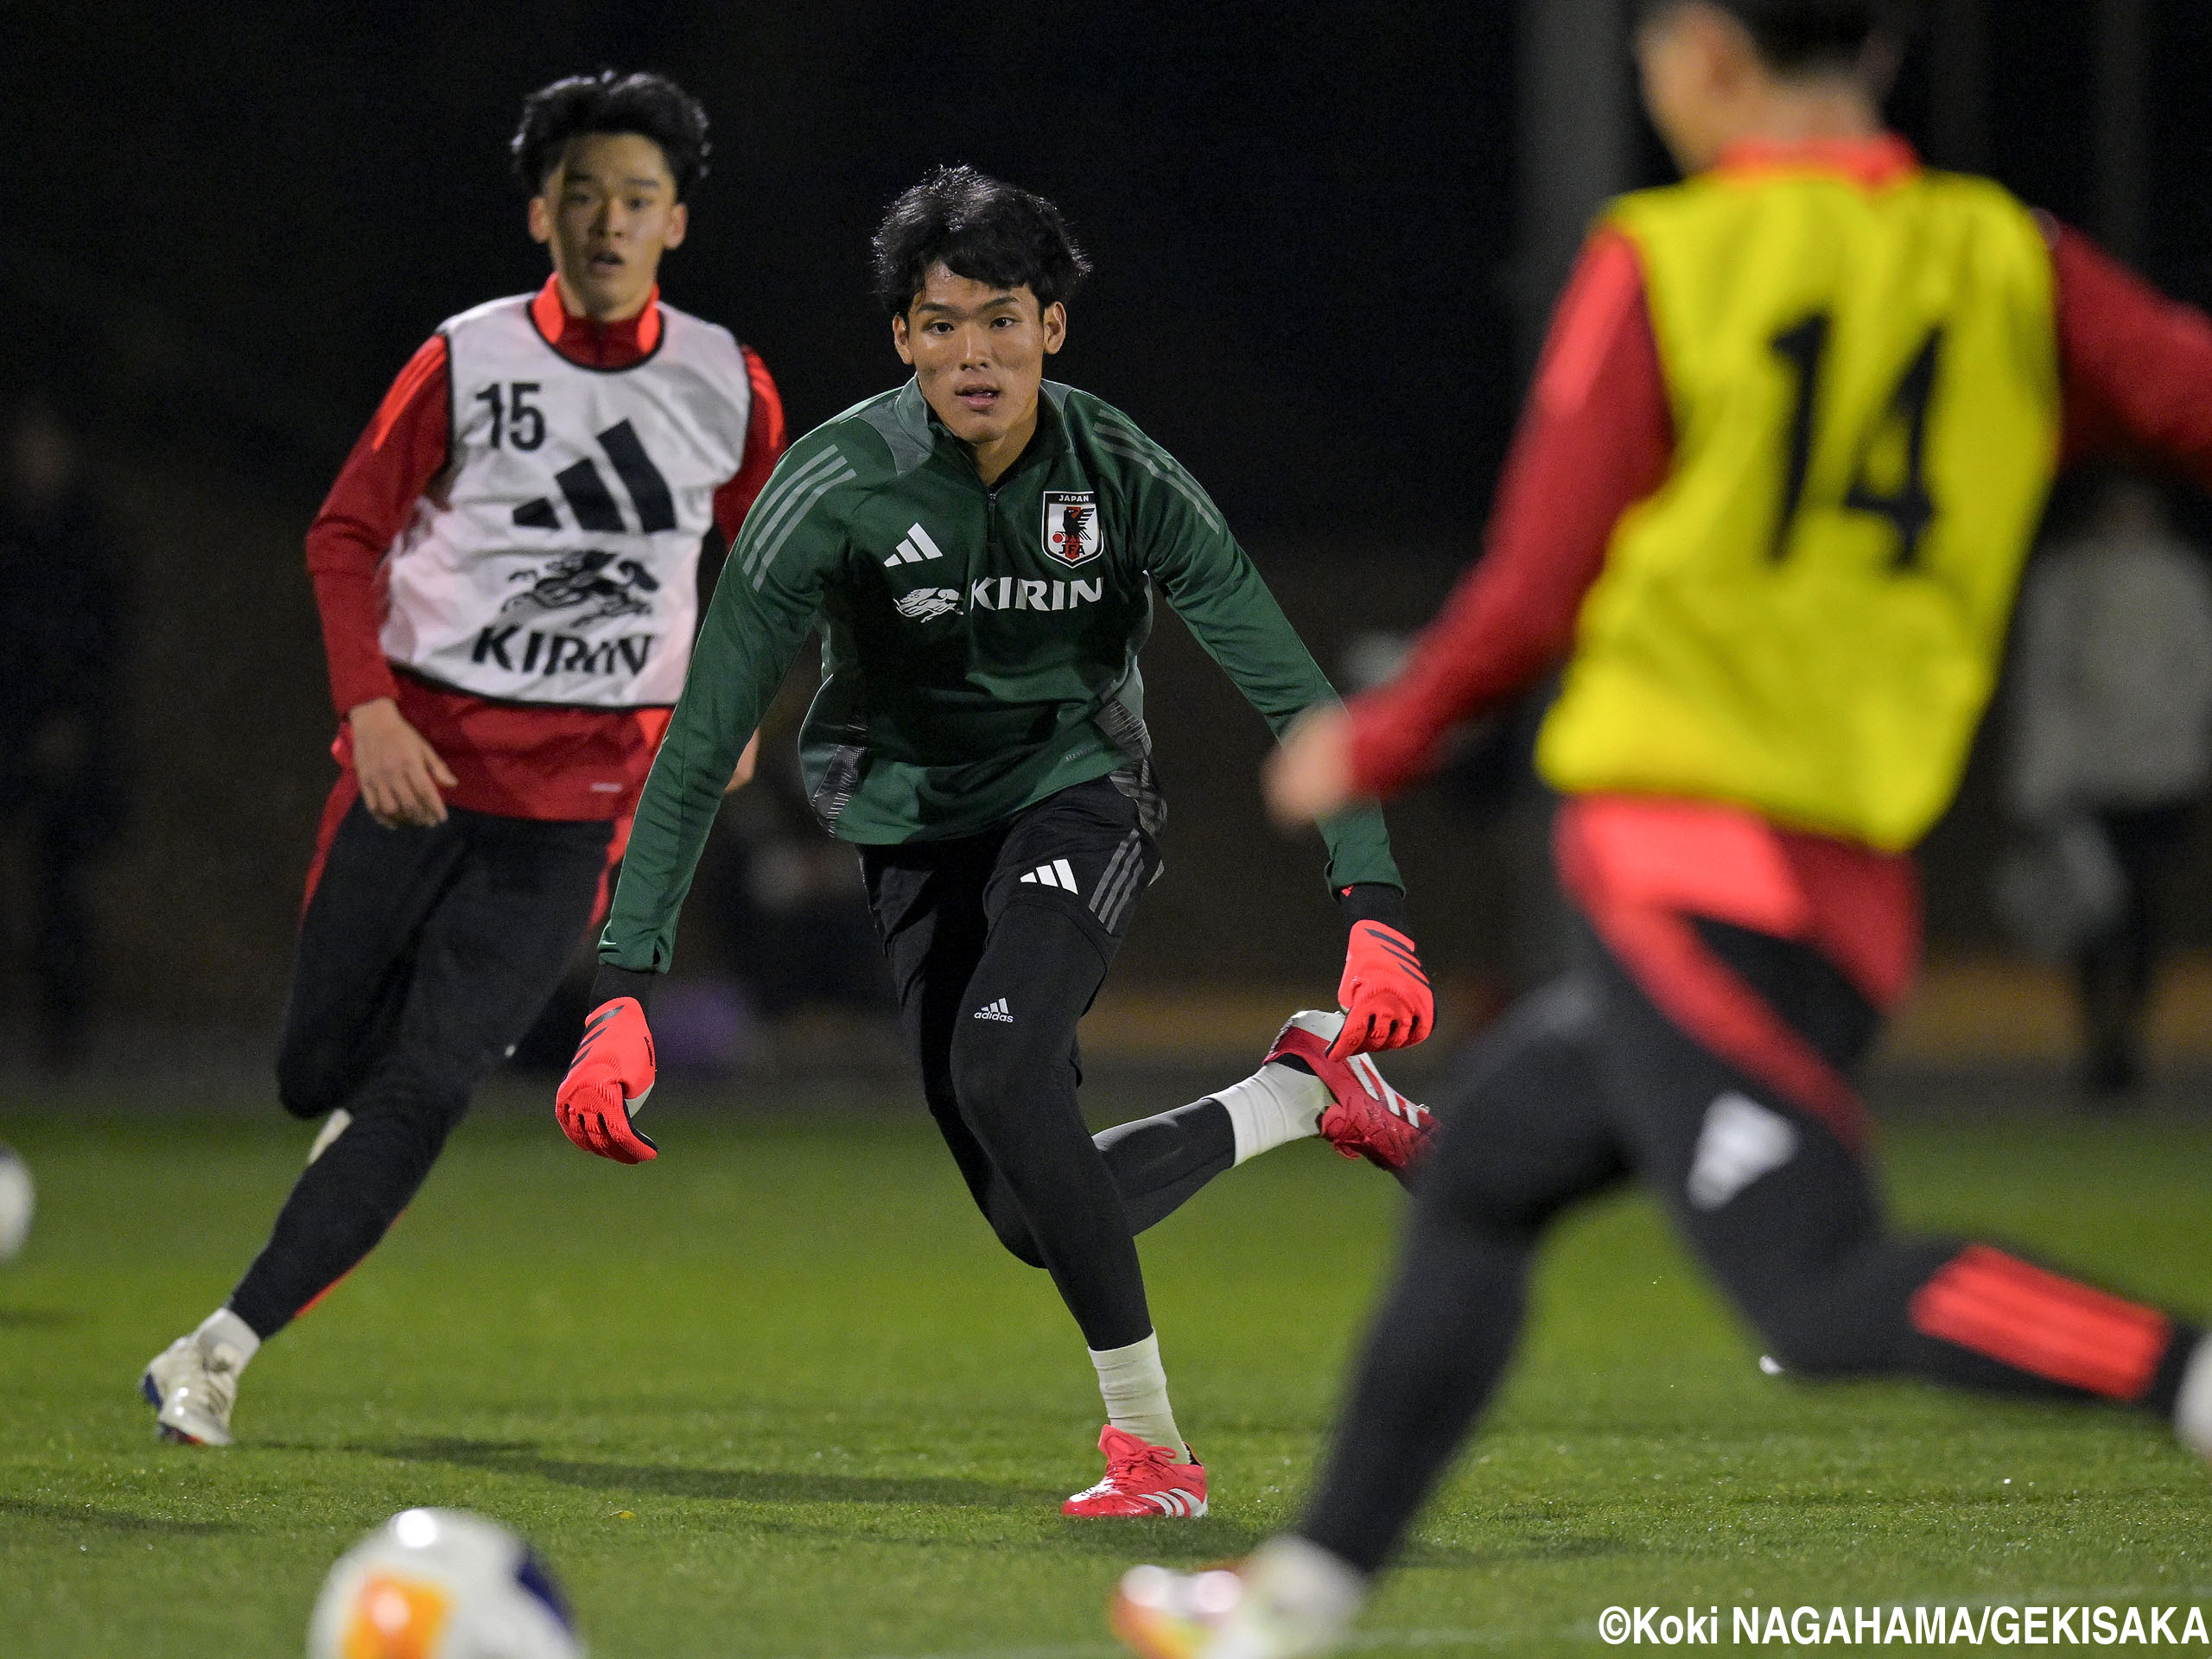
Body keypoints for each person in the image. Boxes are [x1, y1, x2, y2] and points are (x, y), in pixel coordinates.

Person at [1112, 1, 2212, 1649]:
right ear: (1887, 49)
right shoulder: (2014, 263)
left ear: (1705, 52)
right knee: (1482, 1168)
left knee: (1820, 1291)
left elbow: (1537, 583)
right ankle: (1297, 1597)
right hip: (1835, 889)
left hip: (1693, 871)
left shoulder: (1671, 259)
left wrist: (1378, 736)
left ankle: (2190, 1376)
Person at [553, 165, 1439, 1518]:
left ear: (1054, 331)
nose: (977, 353)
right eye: (945, 322)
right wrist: (622, 988)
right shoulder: (833, 487)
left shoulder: (1120, 472)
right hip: (910, 831)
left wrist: (1372, 898)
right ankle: (1303, 1093)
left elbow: (1292, 688)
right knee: (1036, 1215)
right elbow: (698, 741)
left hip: (1079, 794)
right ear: (902, 336)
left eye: (1006, 320)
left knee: (1001, 1062)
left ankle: (1152, 1455)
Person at [141, 71, 785, 1446]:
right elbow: (343, 536)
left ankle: (216, 1352)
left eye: (637, 199)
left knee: (428, 1090)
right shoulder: (469, 359)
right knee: (315, 1074)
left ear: (676, 221)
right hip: (414, 776)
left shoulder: (725, 383)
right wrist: (370, 711)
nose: (608, 222)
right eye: (583, 195)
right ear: (539, 212)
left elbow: (780, 567)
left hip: (573, 815)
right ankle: (335, 1133)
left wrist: (726, 710)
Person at [2005, 475, 2212, 1097]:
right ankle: (2100, 1037)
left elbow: (2199, 671)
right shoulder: (2065, 578)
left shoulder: (2180, 576)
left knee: (2146, 906)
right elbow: (2041, 680)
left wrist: (2174, 736)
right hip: (2087, 774)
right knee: (2093, 911)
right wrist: (2039, 774)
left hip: (2160, 775)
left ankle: (2133, 1036)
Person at [0, 395, 129, 1068]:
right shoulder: (11, 531)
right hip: (13, 732)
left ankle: (63, 1035)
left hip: (71, 741)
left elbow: (103, 641)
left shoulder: (87, 537)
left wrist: (73, 720)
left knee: (62, 890)